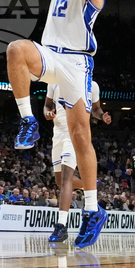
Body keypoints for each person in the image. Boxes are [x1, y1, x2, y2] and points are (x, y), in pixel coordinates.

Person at [4, 0, 111, 249]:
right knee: (17, 49)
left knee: (82, 136)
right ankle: (27, 120)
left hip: (78, 64)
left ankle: (94, 210)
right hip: (51, 54)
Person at [45, 81, 109, 242]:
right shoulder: (54, 82)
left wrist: (102, 116)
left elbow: (95, 109)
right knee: (60, 181)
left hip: (74, 134)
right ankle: (90, 183)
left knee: (66, 178)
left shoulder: (91, 85)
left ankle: (61, 226)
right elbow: (46, 105)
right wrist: (48, 113)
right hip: (57, 134)